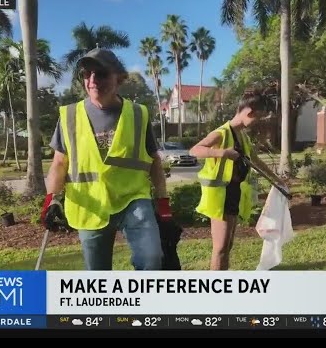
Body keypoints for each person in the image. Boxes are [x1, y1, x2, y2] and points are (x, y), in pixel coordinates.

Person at [41, 48, 172, 270]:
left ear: (118, 77)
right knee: (97, 273)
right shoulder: (69, 116)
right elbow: (59, 163)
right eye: (86, 74)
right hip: (91, 205)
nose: (92, 80)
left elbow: (153, 160)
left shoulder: (139, 114)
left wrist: (162, 201)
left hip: (132, 200)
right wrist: (51, 199)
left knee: (151, 259)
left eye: (100, 73)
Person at [189, 89, 289, 270]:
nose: (256, 122)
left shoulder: (241, 135)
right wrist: (222, 153)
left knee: (227, 246)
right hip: (220, 196)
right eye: (257, 117)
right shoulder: (221, 133)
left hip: (233, 193)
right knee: (220, 248)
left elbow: (255, 160)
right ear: (249, 112)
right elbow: (195, 150)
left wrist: (277, 181)